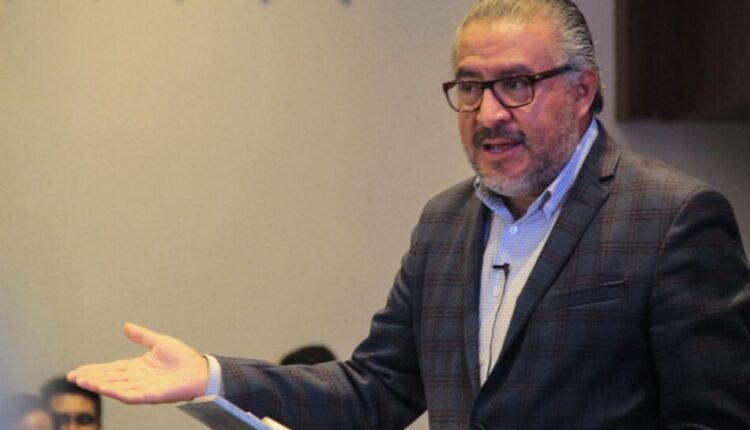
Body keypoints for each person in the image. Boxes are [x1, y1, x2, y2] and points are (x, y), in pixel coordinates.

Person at [67, 0, 750, 428]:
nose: (488, 113)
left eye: (516, 84)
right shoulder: (444, 224)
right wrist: (213, 375)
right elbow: (376, 388)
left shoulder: (673, 217)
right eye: (470, 87)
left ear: (581, 92)